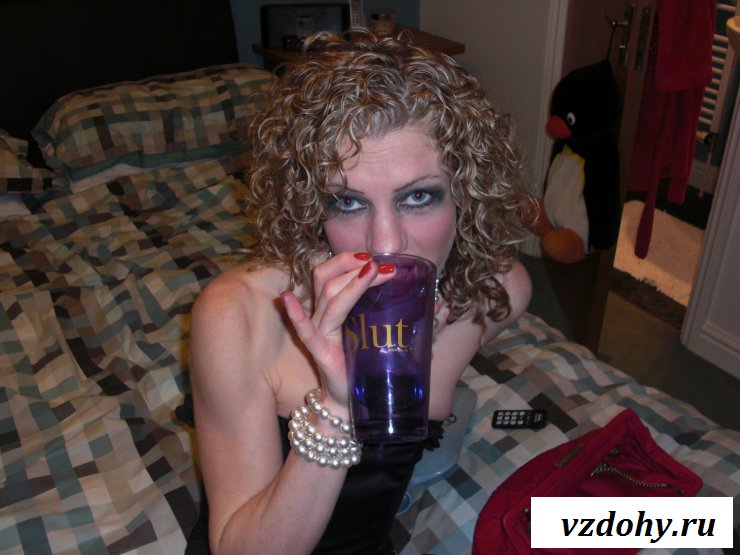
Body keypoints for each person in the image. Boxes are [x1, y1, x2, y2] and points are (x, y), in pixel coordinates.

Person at [187, 29, 532, 555]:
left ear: (466, 193)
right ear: (310, 204)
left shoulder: (492, 293)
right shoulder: (238, 316)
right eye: (347, 203)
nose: (385, 243)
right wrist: (337, 409)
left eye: (419, 197)